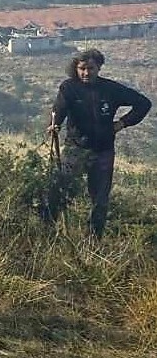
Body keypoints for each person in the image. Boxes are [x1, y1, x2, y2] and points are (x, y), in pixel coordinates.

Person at [43, 48, 150, 238]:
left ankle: (94, 241)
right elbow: (58, 111)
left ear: (99, 68)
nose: (86, 73)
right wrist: (54, 125)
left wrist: (122, 123)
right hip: (76, 148)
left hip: (103, 151)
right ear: (76, 68)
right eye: (82, 68)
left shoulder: (111, 89)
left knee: (100, 200)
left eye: (90, 68)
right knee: (59, 189)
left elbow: (143, 103)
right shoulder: (69, 88)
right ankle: (47, 231)